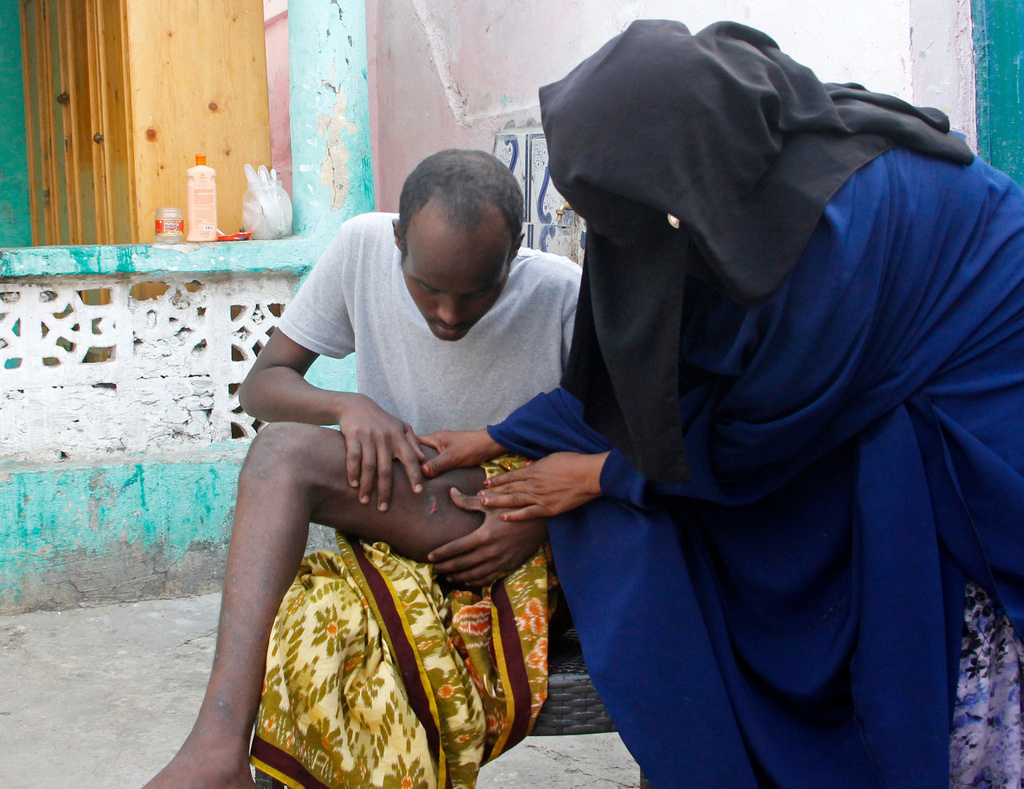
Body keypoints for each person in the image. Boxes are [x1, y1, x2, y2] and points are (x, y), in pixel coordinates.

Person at [422, 21, 1024, 789]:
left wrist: (603, 477)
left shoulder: (828, 241)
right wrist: (502, 432)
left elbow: (758, 443)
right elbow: (655, 361)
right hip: (864, 370)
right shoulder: (734, 160)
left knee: (807, 542)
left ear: (671, 184)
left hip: (974, 403)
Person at [142, 149, 581, 789]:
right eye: (427, 288)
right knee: (281, 453)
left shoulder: (562, 293)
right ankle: (216, 749)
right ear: (399, 240)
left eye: (477, 291)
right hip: (405, 501)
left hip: (509, 515)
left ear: (515, 247)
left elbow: (619, 450)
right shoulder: (361, 250)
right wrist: (346, 405)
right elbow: (262, 386)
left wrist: (539, 524)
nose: (449, 315)